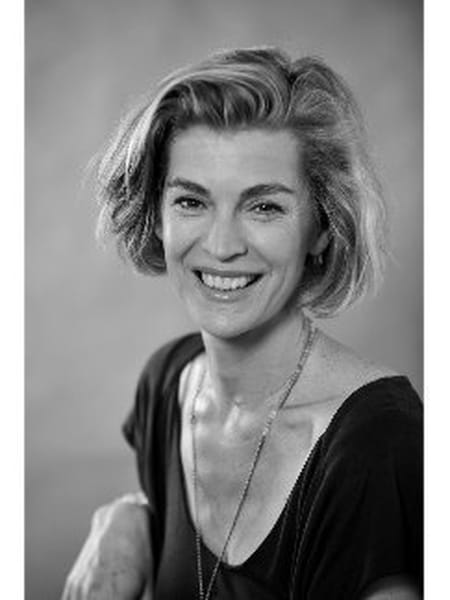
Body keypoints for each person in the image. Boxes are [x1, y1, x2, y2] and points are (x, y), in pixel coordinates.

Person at [62, 47, 423, 599]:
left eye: (264, 207)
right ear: (155, 216)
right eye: (191, 201)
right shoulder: (168, 384)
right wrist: (128, 519)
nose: (223, 245)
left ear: (323, 227)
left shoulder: (378, 443)